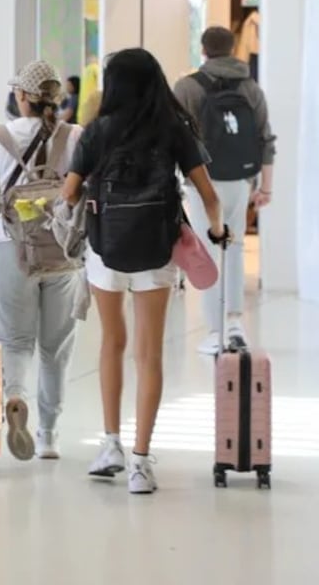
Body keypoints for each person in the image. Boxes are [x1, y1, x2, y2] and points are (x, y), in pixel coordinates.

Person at [60, 48, 225, 495]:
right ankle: (139, 462)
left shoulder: (96, 131)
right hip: (158, 251)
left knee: (112, 344)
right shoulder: (172, 128)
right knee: (149, 354)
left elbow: (70, 194)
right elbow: (207, 193)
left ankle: (110, 443)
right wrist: (217, 228)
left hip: (105, 251)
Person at [0, 61, 82, 462]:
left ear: (24, 96)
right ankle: (49, 433)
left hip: (11, 247)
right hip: (62, 252)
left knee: (15, 340)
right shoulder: (76, 137)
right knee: (55, 346)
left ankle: (15, 397)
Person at [173, 26, 276, 355]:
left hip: (202, 180)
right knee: (233, 249)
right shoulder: (250, 87)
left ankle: (215, 331)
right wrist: (266, 188)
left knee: (206, 250)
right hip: (240, 181)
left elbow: (173, 137)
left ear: (203, 51)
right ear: (233, 49)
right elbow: (265, 140)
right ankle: (234, 323)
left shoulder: (187, 87)